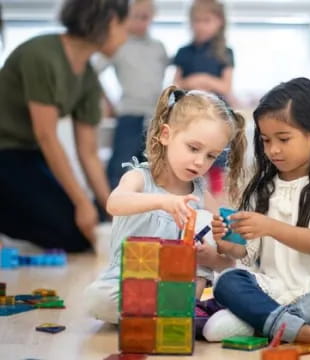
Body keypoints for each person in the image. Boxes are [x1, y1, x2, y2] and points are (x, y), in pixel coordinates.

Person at [208, 78, 310, 350]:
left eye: (283, 139)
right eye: (266, 140)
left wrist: (269, 226)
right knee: (227, 282)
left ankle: (264, 321)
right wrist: (228, 245)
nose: (273, 150)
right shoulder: (262, 188)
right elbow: (248, 253)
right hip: (272, 290)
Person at [84, 85, 247, 326]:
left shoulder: (201, 195)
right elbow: (114, 203)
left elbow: (228, 261)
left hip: (177, 288)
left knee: (206, 225)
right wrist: (164, 201)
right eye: (193, 148)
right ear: (166, 134)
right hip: (128, 282)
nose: (200, 162)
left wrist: (210, 256)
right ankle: (167, 314)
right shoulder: (140, 177)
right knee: (95, 299)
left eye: (211, 156)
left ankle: (169, 312)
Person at [0, 0, 130, 252]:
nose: (125, 37)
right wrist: (82, 203)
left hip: (28, 153)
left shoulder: (89, 78)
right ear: (112, 21)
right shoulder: (42, 55)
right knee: (73, 227)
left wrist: (110, 210)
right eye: (125, 26)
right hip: (5, 153)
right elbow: (47, 135)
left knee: (86, 231)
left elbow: (89, 153)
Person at [94, 0, 169, 189]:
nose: (139, 21)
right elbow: (92, 71)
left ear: (152, 17)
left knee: (154, 167)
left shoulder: (158, 47)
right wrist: (108, 103)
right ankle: (110, 209)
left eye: (144, 17)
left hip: (155, 117)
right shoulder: (118, 44)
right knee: (121, 165)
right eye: (134, 16)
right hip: (129, 114)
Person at [173, 0, 235, 200]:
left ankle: (215, 202)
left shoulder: (225, 52)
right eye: (196, 21)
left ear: (220, 22)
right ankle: (189, 196)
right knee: (192, 154)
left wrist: (205, 80)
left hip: (216, 114)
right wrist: (191, 82)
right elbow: (175, 85)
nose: (200, 26)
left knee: (216, 159)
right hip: (191, 115)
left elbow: (225, 86)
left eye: (206, 21)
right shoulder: (184, 52)